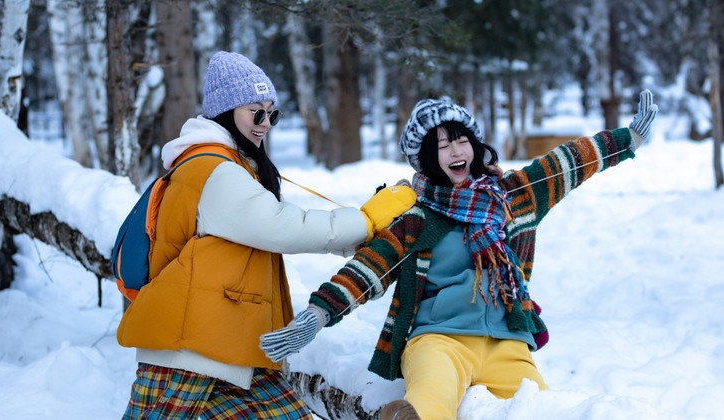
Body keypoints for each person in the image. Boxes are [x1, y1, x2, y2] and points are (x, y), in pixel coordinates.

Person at [260, 91, 658, 420]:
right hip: (439, 340)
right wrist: (318, 314)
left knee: (536, 407)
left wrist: (628, 140)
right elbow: (370, 267)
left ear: (474, 144)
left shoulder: (513, 196)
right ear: (427, 159)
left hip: (507, 342)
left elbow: (564, 163)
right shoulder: (418, 218)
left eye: (461, 139)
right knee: (430, 400)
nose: (455, 150)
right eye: (442, 145)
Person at [116, 51, 416, 419]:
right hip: (188, 349)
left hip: (227, 341)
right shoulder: (212, 170)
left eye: (272, 113)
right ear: (225, 112)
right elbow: (283, 227)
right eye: (256, 112)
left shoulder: (226, 165)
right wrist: (368, 219)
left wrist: (366, 232)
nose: (266, 124)